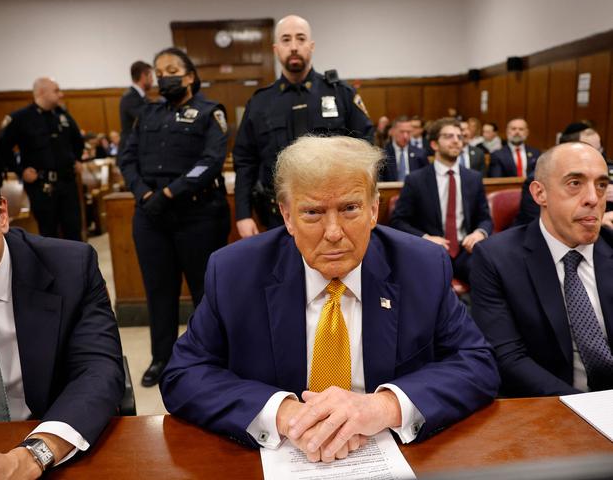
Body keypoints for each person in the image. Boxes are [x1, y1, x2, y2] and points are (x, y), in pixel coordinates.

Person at [160, 135, 499, 463]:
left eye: (350, 208)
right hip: (277, 459)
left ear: (373, 208)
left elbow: (476, 363)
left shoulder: (421, 266)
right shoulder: (235, 271)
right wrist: (284, 413)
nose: (334, 232)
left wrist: (382, 407)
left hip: (391, 455)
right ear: (287, 215)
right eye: (312, 213)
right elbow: (183, 374)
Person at [0, 154, 124, 477]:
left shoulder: (70, 268)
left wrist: (31, 457)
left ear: (3, 215)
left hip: (45, 449)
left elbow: (98, 372)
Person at [119, 47, 230, 388]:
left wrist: (169, 193)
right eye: (158, 70)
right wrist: (144, 193)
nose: (163, 76)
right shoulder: (147, 113)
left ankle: (207, 358)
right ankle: (161, 358)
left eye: (171, 69)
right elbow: (127, 157)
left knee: (204, 292)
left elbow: (211, 160)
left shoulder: (210, 112)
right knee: (159, 290)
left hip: (198, 214)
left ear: (190, 76)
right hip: (151, 216)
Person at [471, 142, 613, 396]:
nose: (593, 198)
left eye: (601, 185)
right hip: (552, 408)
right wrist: (589, 408)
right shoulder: (496, 258)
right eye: (575, 183)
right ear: (540, 194)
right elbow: (509, 358)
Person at [233, 14, 374, 237]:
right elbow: (245, 161)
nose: (294, 47)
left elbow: (367, 148)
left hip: (334, 213)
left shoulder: (340, 94)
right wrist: (243, 214)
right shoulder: (260, 103)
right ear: (276, 48)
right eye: (286, 40)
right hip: (278, 215)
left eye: (300, 39)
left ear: (311, 45)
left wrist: (366, 201)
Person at [390, 118, 492, 282]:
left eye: (459, 137)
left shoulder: (473, 178)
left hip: (465, 250)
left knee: (487, 276)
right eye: (449, 136)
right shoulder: (416, 180)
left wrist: (480, 233)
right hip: (431, 250)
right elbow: (398, 221)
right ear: (434, 145)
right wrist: (426, 238)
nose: (456, 141)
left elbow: (485, 218)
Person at [0, 77, 84, 241]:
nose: (61, 94)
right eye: (56, 91)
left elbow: (78, 140)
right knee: (48, 234)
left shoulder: (62, 115)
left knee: (74, 231)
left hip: (67, 182)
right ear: (42, 92)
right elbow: (2, 147)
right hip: (42, 186)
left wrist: (78, 159)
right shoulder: (21, 118)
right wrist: (20, 171)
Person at [514, 123, 613, 227]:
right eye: (575, 183)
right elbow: (543, 224)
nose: (596, 156)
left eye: (601, 185)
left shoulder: (604, 173)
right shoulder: (542, 178)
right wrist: (598, 219)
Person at [118, 61, 153, 155]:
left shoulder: (143, 97)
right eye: (150, 76)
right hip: (131, 151)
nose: (152, 80)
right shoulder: (130, 97)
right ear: (143, 76)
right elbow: (147, 118)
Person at [380, 116, 428, 181]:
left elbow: (426, 178)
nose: (405, 136)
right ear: (392, 131)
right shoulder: (382, 154)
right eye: (402, 132)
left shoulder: (420, 154)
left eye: (408, 132)